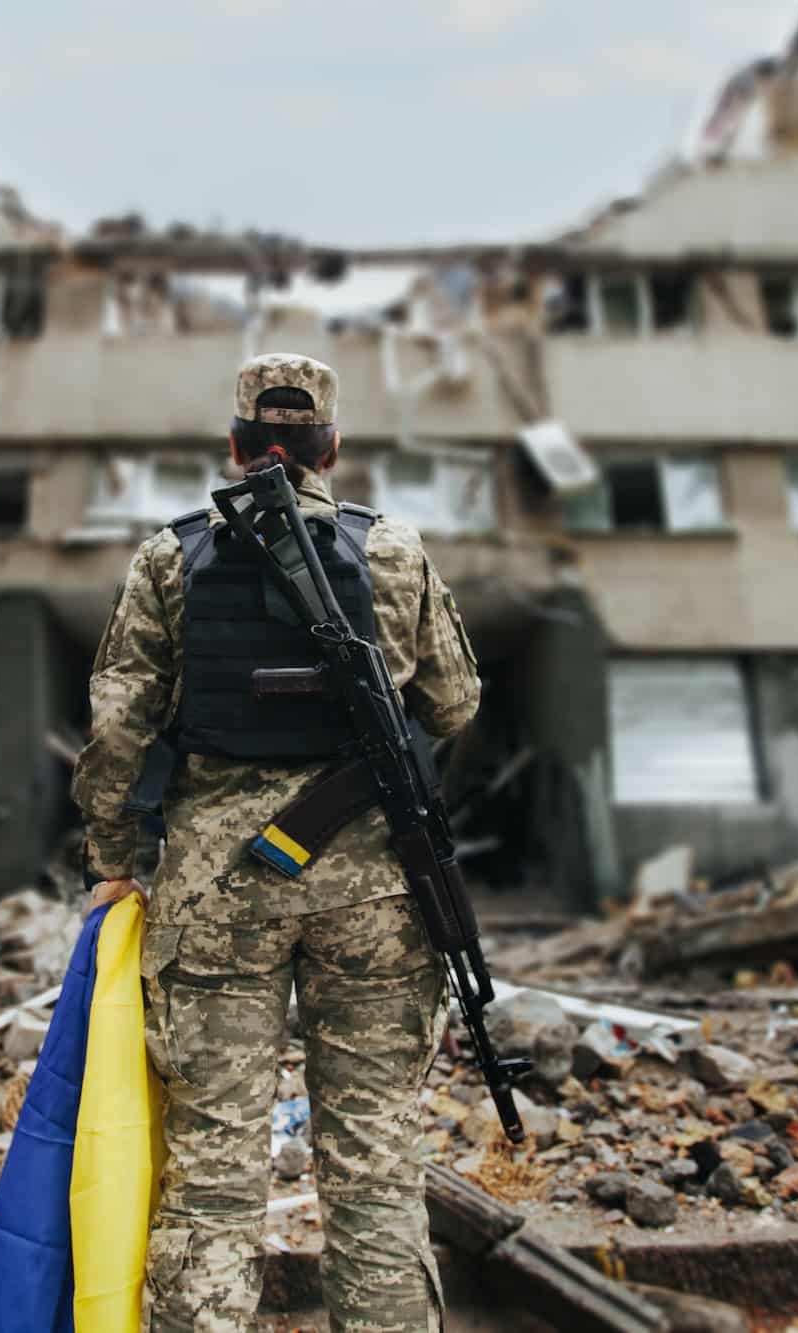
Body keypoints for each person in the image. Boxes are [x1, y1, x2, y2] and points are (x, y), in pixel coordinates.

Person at [71, 352, 482, 1332]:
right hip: (376, 895)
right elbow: (455, 703)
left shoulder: (168, 557)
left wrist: (111, 862)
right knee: (375, 1170)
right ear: (329, 449)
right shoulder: (391, 549)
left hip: (216, 896)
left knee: (212, 1173)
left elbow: (114, 730)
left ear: (235, 444)